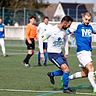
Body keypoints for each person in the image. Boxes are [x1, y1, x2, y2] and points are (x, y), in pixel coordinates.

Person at [39, 16, 73, 93]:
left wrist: (66, 52)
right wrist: (41, 53)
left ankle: (51, 74)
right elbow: (41, 39)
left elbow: (66, 42)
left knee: (65, 71)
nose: (69, 26)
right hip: (52, 54)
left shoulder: (64, 32)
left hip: (60, 53)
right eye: (69, 25)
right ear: (64, 22)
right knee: (66, 70)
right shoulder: (51, 30)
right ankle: (65, 88)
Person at [67, 12, 96, 92]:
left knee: (85, 74)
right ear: (83, 18)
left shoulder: (90, 27)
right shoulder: (77, 26)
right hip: (81, 52)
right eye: (86, 19)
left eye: (89, 20)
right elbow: (67, 32)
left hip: (88, 52)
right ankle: (95, 87)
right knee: (91, 67)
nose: (87, 21)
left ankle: (67, 78)